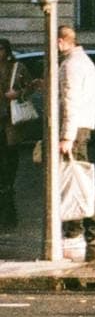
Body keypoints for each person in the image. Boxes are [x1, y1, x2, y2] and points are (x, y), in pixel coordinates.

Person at [56, 26, 95, 260]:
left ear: (60, 42)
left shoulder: (72, 65)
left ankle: (76, 231)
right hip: (81, 127)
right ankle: (93, 232)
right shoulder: (83, 62)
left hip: (74, 130)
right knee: (80, 179)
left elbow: (70, 101)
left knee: (75, 181)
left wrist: (66, 136)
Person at [0, 38, 25, 230]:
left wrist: (18, 94)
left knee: (9, 166)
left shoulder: (17, 67)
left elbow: (30, 87)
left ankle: (9, 215)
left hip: (10, 122)